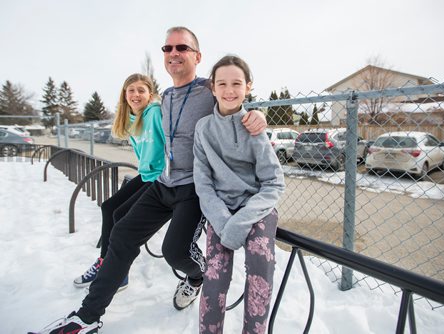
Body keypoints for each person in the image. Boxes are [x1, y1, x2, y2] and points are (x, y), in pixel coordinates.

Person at [28, 27, 267, 334]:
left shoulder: (209, 89)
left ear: (197, 56)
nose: (174, 53)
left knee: (175, 252)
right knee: (121, 233)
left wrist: (256, 114)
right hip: (162, 184)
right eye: (167, 48)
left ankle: (198, 276)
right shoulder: (165, 97)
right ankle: (87, 317)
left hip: (195, 188)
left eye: (182, 47)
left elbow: (234, 100)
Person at [194, 55, 285, 333]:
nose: (229, 90)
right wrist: (223, 222)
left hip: (255, 208)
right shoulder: (204, 129)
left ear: (248, 86)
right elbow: (203, 183)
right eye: (222, 83)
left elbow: (274, 182)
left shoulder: (253, 127)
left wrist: (241, 221)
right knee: (214, 276)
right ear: (212, 87)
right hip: (220, 209)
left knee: (260, 265)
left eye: (236, 83)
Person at [73, 73, 166, 292]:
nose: (136, 94)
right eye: (131, 90)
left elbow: (171, 142)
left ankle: (118, 273)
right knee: (108, 207)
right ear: (125, 95)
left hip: (162, 177)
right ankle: (105, 263)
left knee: (120, 216)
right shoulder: (129, 120)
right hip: (146, 175)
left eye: (141, 90)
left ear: (149, 95)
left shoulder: (155, 113)